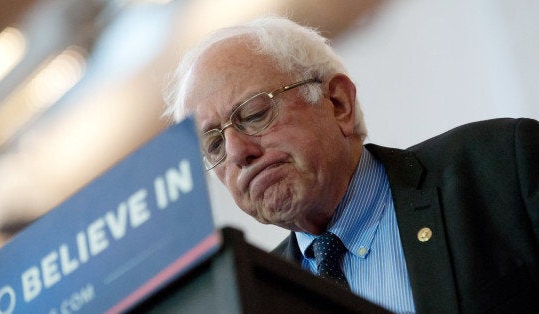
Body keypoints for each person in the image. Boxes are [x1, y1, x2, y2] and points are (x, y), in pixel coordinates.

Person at [163, 16, 538, 313]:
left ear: (338, 103)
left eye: (255, 114)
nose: (237, 151)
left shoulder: (500, 163)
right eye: (214, 144)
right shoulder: (252, 295)